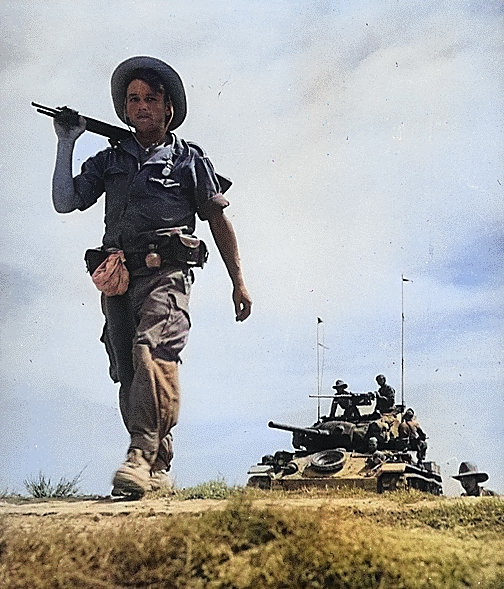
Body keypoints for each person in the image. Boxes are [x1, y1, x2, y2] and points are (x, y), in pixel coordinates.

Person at [51, 56, 252, 497]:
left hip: (168, 276)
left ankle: (140, 455)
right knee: (128, 370)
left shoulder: (189, 161)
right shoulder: (110, 160)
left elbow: (218, 222)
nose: (142, 106)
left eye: (151, 99)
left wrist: (238, 279)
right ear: (125, 110)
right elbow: (65, 203)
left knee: (153, 350)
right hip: (120, 278)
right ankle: (158, 464)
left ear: (168, 110)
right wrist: (66, 142)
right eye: (134, 99)